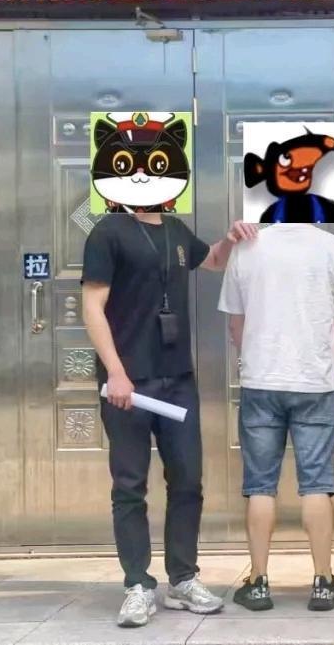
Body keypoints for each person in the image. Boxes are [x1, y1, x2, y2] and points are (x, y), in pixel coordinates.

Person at [82, 211, 257, 628]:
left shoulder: (175, 229)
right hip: (128, 383)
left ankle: (182, 579)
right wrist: (115, 372)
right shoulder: (108, 232)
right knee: (130, 485)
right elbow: (92, 306)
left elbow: (213, 260)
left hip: (177, 379)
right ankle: (137, 585)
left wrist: (231, 239)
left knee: (187, 481)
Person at [217, 223, 334, 612]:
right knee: (316, 482)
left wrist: (255, 360)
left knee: (260, 484)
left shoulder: (247, 248)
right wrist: (319, 364)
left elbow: (235, 324)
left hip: (260, 382)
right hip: (315, 384)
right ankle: (323, 582)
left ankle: (258, 582)